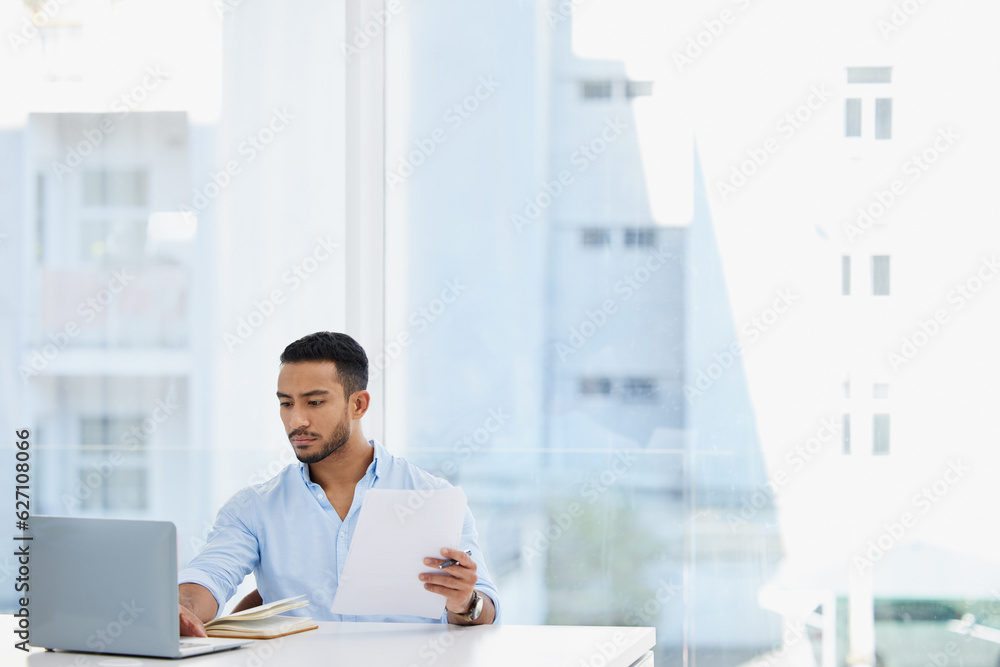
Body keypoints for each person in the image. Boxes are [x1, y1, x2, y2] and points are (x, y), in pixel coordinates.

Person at [177, 332, 499, 636]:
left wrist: (466, 602)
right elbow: (207, 578)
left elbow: (485, 610)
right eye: (286, 403)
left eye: (314, 403)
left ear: (358, 405)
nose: (296, 420)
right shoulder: (253, 508)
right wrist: (181, 609)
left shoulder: (432, 497)